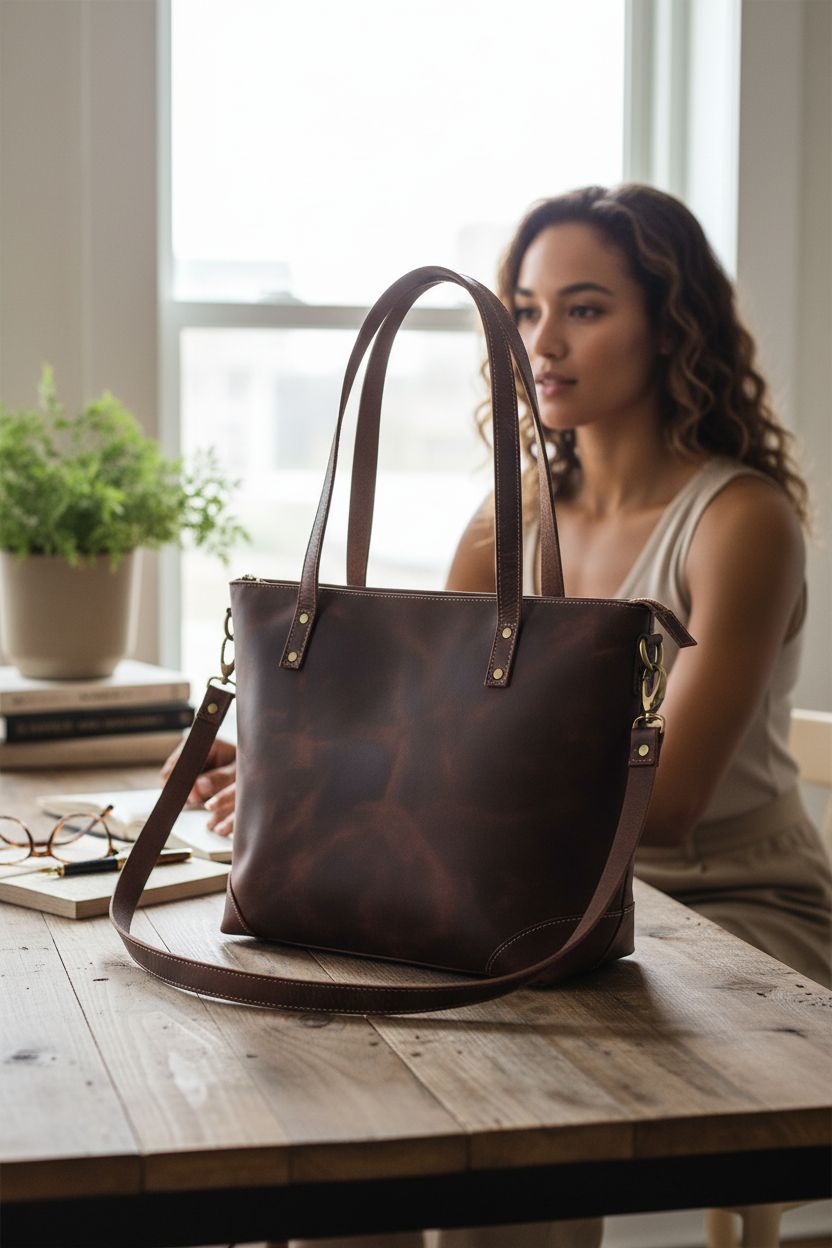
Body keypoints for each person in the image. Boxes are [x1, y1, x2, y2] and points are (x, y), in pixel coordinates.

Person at [163, 184, 832, 1248]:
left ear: (671, 326)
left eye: (583, 307)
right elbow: (441, 730)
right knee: (339, 1081)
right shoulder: (508, 514)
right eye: (521, 309)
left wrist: (359, 783)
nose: (542, 341)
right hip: (523, 881)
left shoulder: (738, 521)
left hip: (727, 907)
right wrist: (306, 761)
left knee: (505, 1074)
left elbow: (663, 805)